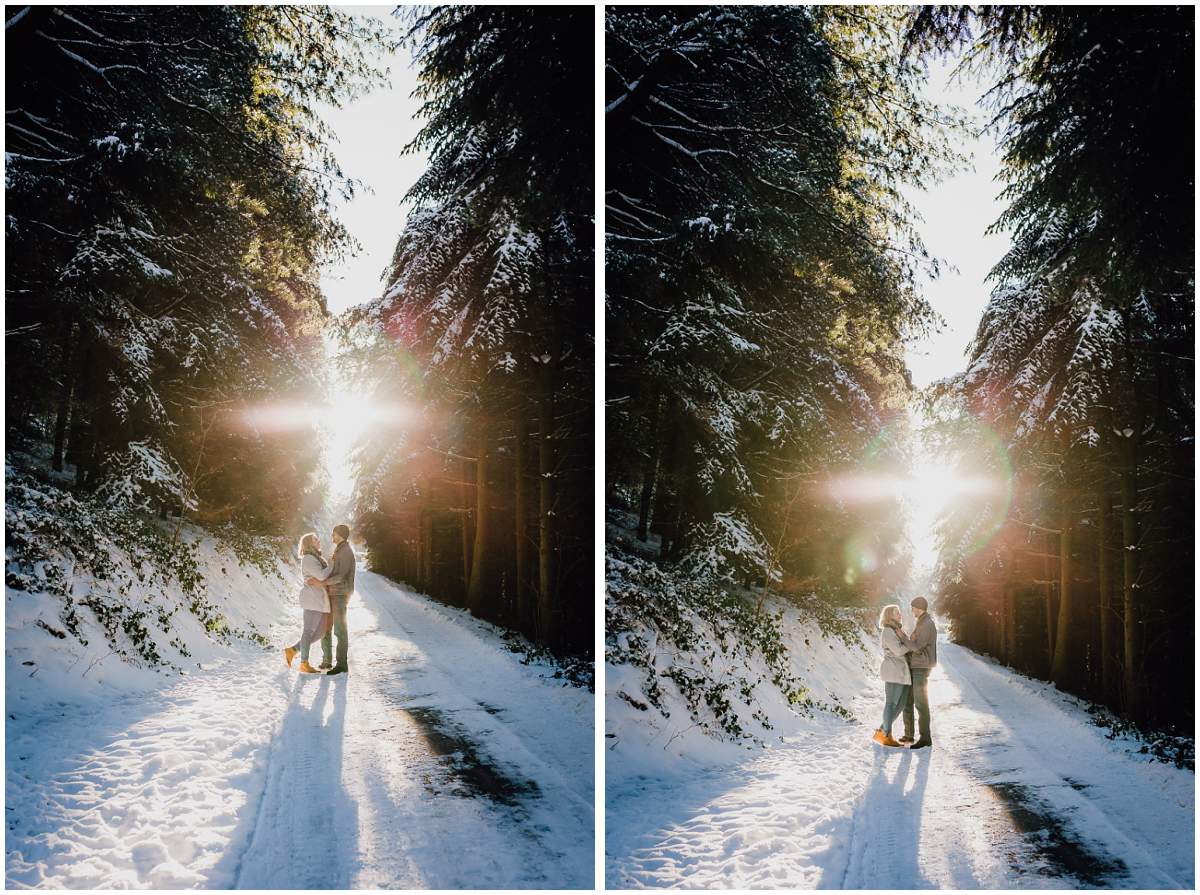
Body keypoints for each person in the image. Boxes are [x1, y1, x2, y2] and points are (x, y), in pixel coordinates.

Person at [307, 523, 356, 676]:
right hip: (331, 594)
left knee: (340, 630)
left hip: (340, 595)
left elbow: (340, 576)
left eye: (333, 534)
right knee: (325, 629)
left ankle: (342, 664)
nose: (331, 536)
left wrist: (321, 582)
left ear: (340, 534)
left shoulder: (346, 551)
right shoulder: (339, 549)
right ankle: (327, 660)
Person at [284, 532, 333, 674]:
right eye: (315, 539)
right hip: (312, 599)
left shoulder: (316, 557)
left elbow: (322, 578)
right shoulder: (309, 558)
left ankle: (292, 650)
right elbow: (323, 575)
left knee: (320, 633)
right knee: (309, 632)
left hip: (320, 600)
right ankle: (304, 663)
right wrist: (332, 564)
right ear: (309, 544)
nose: (319, 541)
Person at [873, 603, 915, 747]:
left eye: (899, 612)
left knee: (901, 703)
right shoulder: (888, 631)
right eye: (896, 612)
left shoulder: (897, 629)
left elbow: (904, 646)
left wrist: (906, 640)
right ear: (889, 615)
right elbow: (898, 650)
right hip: (892, 670)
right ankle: (886, 735)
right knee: (891, 703)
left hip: (901, 670)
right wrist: (909, 643)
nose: (899, 614)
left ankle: (881, 730)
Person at [900, 595, 937, 749]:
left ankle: (925, 738)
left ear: (920, 608)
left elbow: (917, 647)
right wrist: (910, 639)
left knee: (921, 704)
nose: (912, 610)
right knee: (909, 701)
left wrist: (903, 638)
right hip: (915, 665)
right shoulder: (921, 622)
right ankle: (909, 735)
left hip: (921, 667)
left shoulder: (927, 624)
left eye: (913, 607)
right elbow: (914, 642)